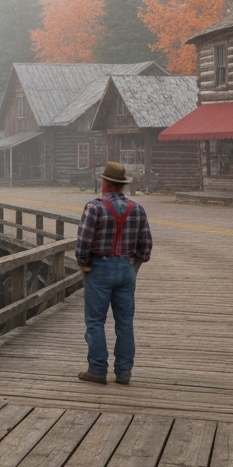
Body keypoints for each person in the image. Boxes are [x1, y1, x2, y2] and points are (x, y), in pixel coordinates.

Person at [76, 160, 152, 385]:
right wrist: (132, 264)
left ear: (106, 183)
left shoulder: (94, 207)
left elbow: (83, 244)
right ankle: (124, 372)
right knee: (125, 323)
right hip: (126, 269)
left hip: (99, 268)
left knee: (95, 321)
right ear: (121, 185)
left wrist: (84, 263)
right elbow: (145, 247)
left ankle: (98, 369)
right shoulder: (137, 209)